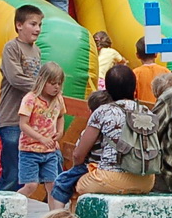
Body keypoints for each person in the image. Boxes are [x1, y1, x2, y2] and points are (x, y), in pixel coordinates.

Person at [67, 64, 157, 203]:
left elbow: (78, 154)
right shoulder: (146, 111)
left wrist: (77, 170)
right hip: (146, 180)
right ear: (134, 88)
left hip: (110, 178)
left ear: (107, 90)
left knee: (74, 185)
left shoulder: (103, 111)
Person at [0, 5, 44, 194]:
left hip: (28, 121)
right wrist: (42, 88)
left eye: (40, 24)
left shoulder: (37, 51)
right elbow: (15, 78)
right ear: (19, 25)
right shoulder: (12, 48)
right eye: (33, 24)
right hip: (11, 118)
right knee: (12, 170)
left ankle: (13, 209)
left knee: (23, 172)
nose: (38, 29)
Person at [16, 61, 67, 201]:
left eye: (59, 83)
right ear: (42, 81)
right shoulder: (30, 99)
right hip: (30, 149)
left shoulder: (58, 100)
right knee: (31, 185)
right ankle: (11, 203)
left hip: (49, 150)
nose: (56, 87)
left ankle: (53, 217)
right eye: (52, 83)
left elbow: (61, 116)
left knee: (52, 185)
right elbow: (23, 124)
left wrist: (60, 131)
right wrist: (41, 138)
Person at [131, 36, 169, 104]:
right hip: (163, 110)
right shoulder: (166, 72)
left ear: (137, 55)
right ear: (156, 54)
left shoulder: (134, 74)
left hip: (143, 111)